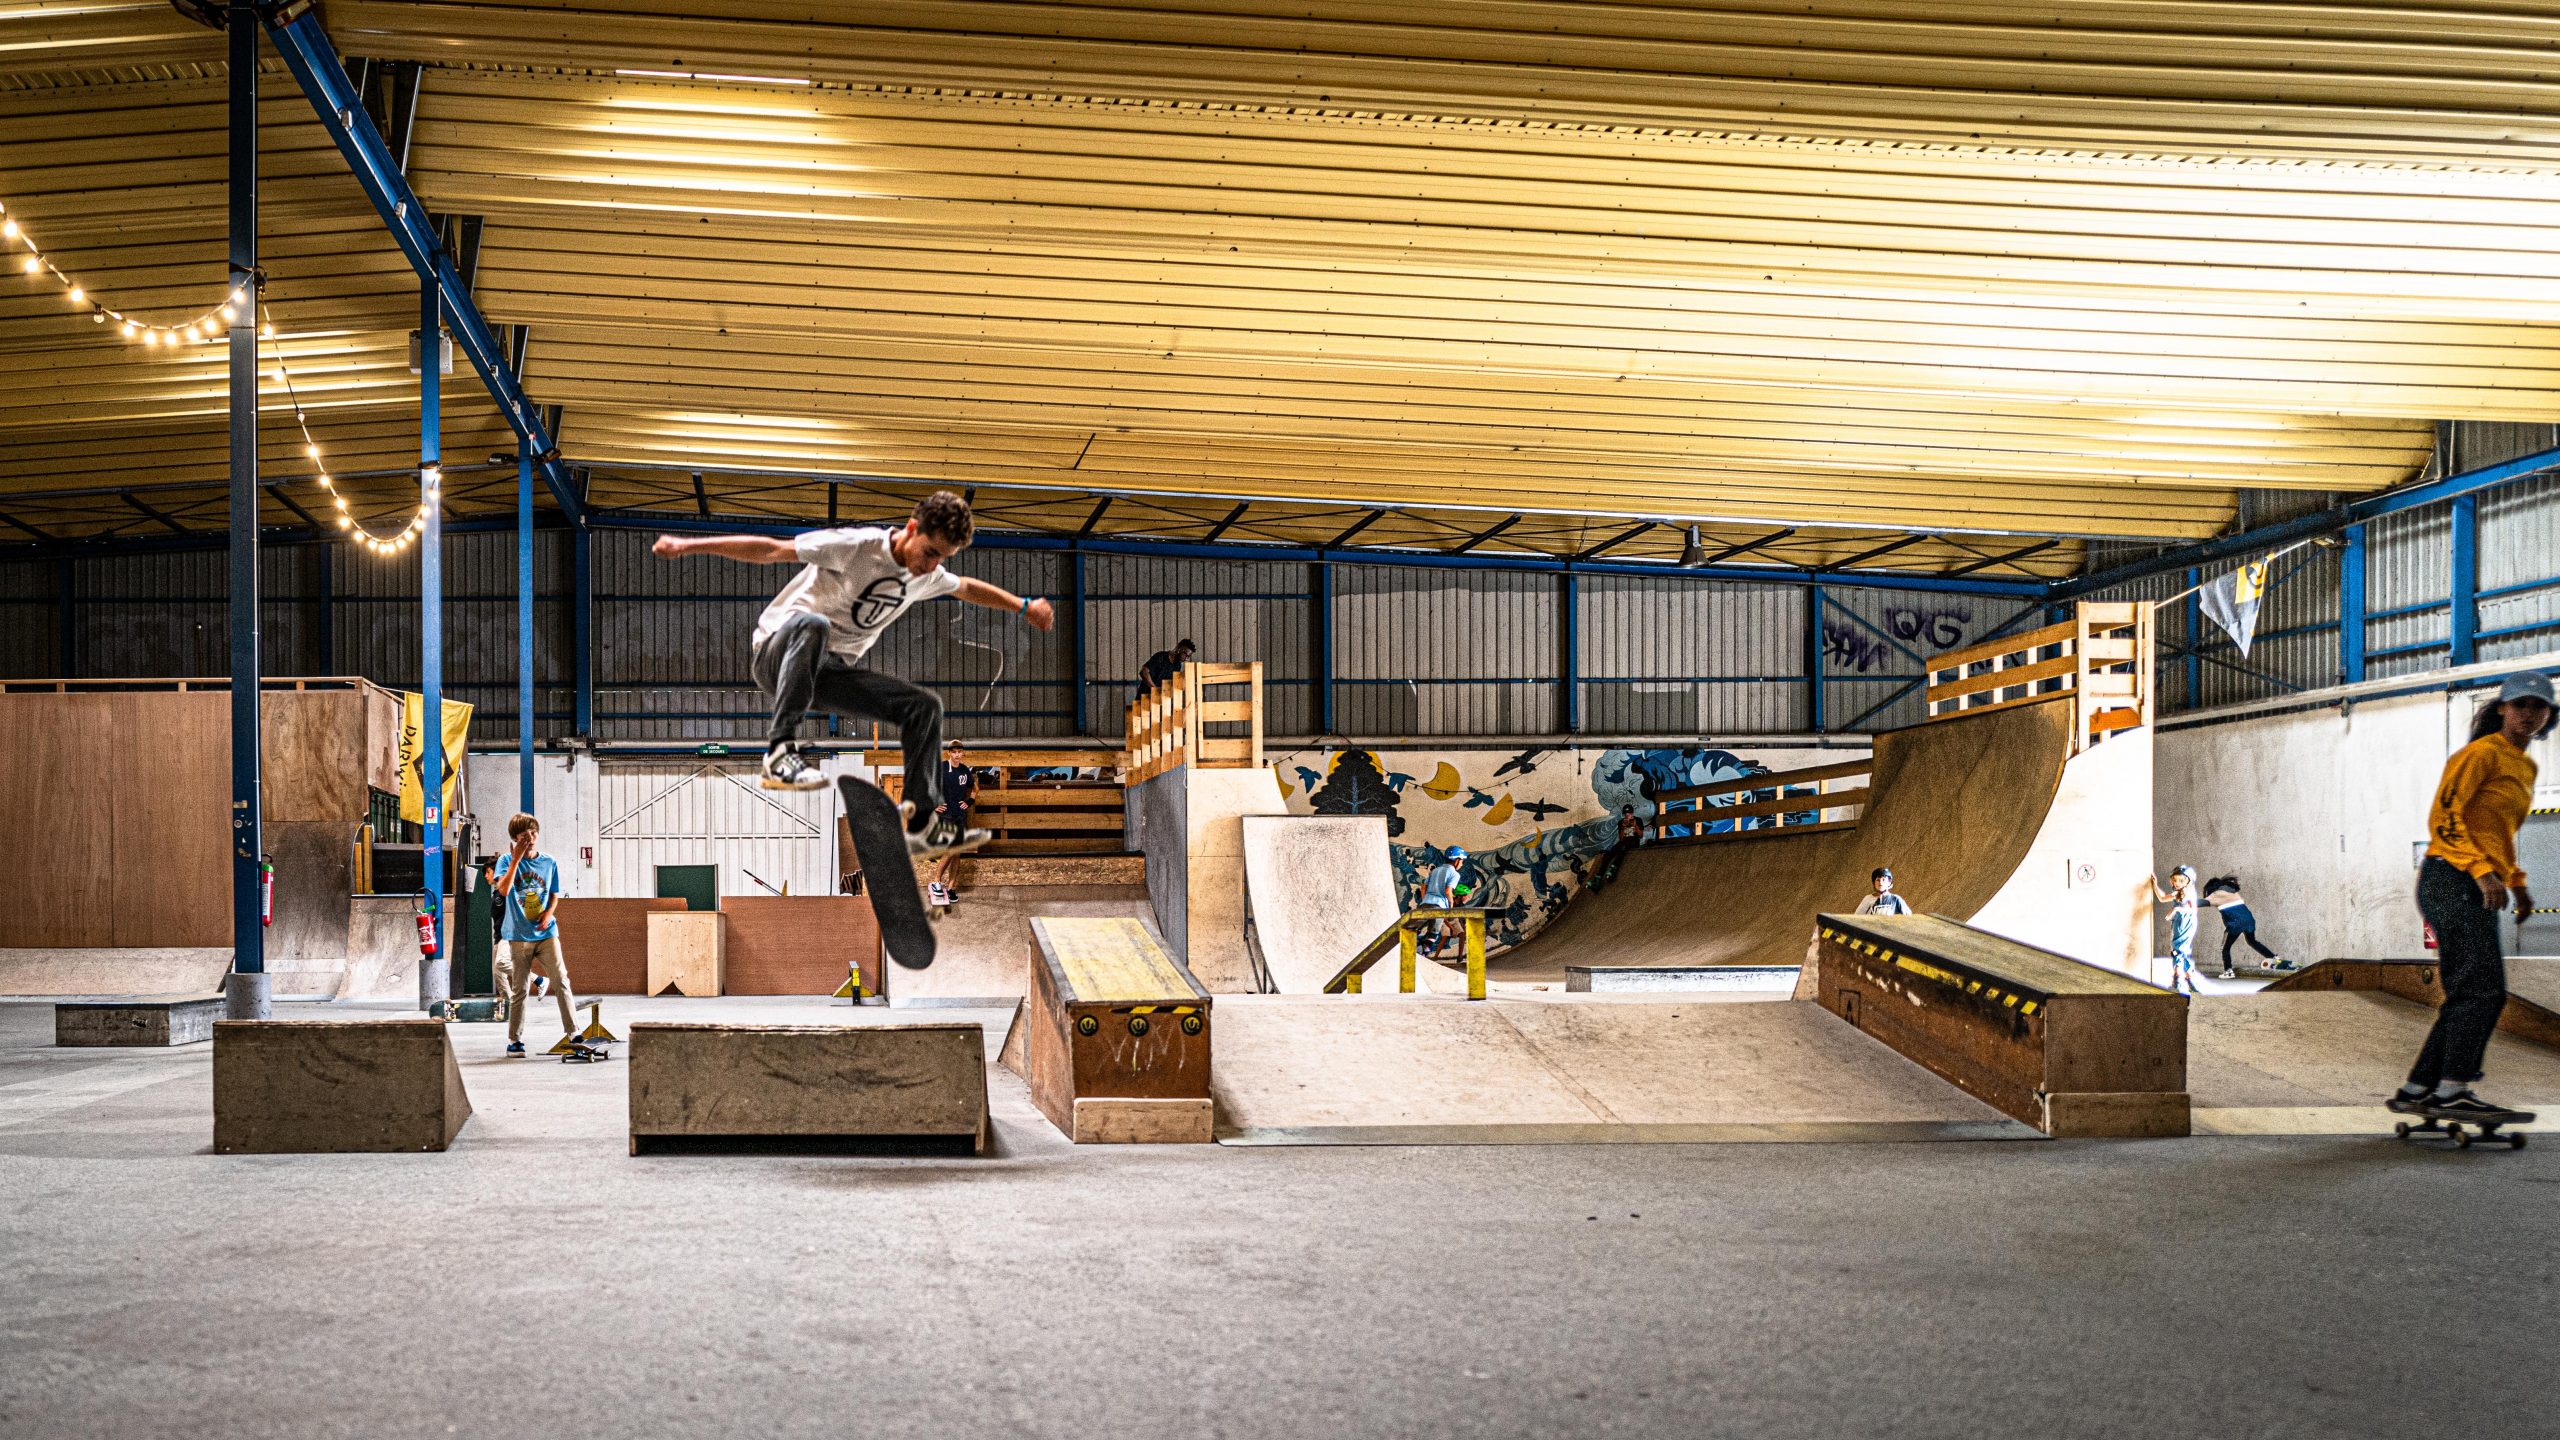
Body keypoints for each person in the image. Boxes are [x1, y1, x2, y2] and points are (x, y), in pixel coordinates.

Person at [652, 492, 1054, 854]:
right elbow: (772, 550)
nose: (930, 565)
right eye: (929, 552)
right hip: (776, 654)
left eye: (941, 558)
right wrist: (688, 546)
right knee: (814, 625)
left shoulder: (927, 574)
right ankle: (778, 753)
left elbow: (965, 587)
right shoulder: (856, 546)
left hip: (828, 674)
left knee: (924, 707)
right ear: (911, 529)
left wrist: (1023, 606)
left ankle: (920, 824)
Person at [2388, 672, 2554, 1124]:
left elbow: (2499, 833)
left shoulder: (2524, 766)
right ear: (2501, 708)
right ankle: (2452, 1089)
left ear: (2548, 716)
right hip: (2450, 877)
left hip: (2477, 882)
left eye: (2538, 708)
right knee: (2484, 990)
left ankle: (2419, 1088)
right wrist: (2482, 873)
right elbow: (2444, 818)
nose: (2528, 714)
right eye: (2520, 705)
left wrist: (2516, 883)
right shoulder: (2478, 754)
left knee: (2469, 990)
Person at [485, 813, 577, 1057]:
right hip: (518, 934)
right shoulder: (506, 860)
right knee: (520, 989)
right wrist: (515, 859)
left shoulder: (549, 862)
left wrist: (549, 913)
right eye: (525, 836)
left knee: (561, 980)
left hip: (546, 933)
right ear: (515, 838)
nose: (531, 838)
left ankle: (574, 1032)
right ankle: (515, 1040)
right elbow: (503, 890)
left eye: (534, 833)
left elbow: (555, 893)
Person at [2199, 875, 2286, 978]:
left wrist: (2184, 902)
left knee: (2226, 948)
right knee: (2252, 941)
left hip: (2235, 924)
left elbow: (2202, 902)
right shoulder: (2233, 892)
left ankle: (2228, 971)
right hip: (2249, 920)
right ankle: (2274, 958)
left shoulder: (2216, 894)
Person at [926, 739, 979, 907]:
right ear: (949, 753)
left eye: (959, 752)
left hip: (960, 816)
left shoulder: (965, 771)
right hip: (946, 816)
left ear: (963, 753)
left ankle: (951, 888)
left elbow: (975, 789)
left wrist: (969, 802)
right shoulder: (941, 768)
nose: (957, 755)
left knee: (957, 853)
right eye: (954, 752)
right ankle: (936, 880)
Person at [2153, 865, 2199, 994]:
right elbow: (2162, 898)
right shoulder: (2178, 893)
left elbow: (2192, 910)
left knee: (2178, 951)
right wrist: (2155, 885)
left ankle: (2177, 980)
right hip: (2179, 923)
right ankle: (2190, 979)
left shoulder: (2190, 893)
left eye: (2181, 880)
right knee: (2179, 951)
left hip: (2187, 923)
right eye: (2175, 880)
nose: (2177, 883)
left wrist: (2176, 909)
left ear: (2188, 881)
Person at [1419, 845, 1470, 960]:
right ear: (1457, 860)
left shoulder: (1435, 870)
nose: (1462, 864)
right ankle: (1423, 957)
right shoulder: (1455, 874)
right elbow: (1448, 891)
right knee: (1433, 935)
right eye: (1462, 861)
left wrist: (1424, 900)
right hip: (1439, 906)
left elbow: (1423, 888)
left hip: (1425, 904)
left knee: (1418, 928)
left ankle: (1415, 944)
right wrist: (1450, 906)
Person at [1590, 805, 1647, 890]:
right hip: (1624, 841)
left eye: (1629, 814)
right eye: (1625, 814)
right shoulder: (1621, 822)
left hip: (1634, 842)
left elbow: (1640, 835)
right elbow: (1621, 838)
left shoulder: (1638, 820)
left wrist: (1635, 826)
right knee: (1609, 853)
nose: (1627, 816)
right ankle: (1598, 877)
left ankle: (1613, 868)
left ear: (1632, 813)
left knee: (1623, 848)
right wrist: (1624, 827)